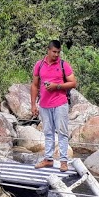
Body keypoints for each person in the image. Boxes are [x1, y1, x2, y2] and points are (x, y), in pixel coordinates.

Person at [30, 40, 77, 172]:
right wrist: (33, 104)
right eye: (54, 52)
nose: (56, 54)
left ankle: (63, 161)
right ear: (48, 50)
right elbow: (34, 85)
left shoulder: (63, 65)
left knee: (62, 132)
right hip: (44, 104)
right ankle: (48, 159)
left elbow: (73, 83)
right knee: (48, 132)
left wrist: (57, 86)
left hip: (60, 103)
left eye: (58, 52)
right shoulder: (39, 65)